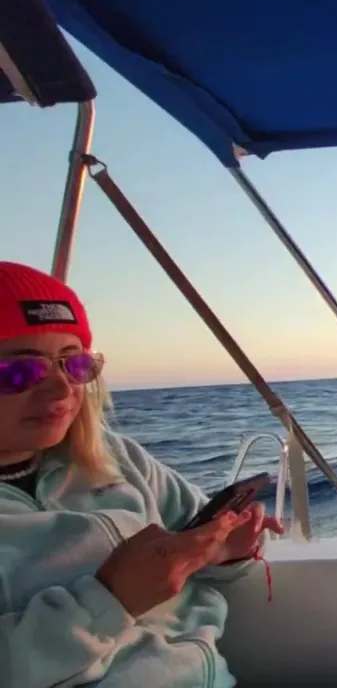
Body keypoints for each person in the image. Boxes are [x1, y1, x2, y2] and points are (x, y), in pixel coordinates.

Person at [0, 261, 282, 687]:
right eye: (23, 372)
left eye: (74, 365)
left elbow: (192, 533)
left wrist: (226, 549)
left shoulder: (113, 456)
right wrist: (110, 600)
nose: (62, 389)